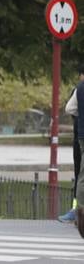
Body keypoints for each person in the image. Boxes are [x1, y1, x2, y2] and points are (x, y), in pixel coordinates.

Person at [59, 62, 82, 224]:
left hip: (80, 137)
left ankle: (78, 210)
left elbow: (69, 108)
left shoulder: (79, 88)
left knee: (81, 174)